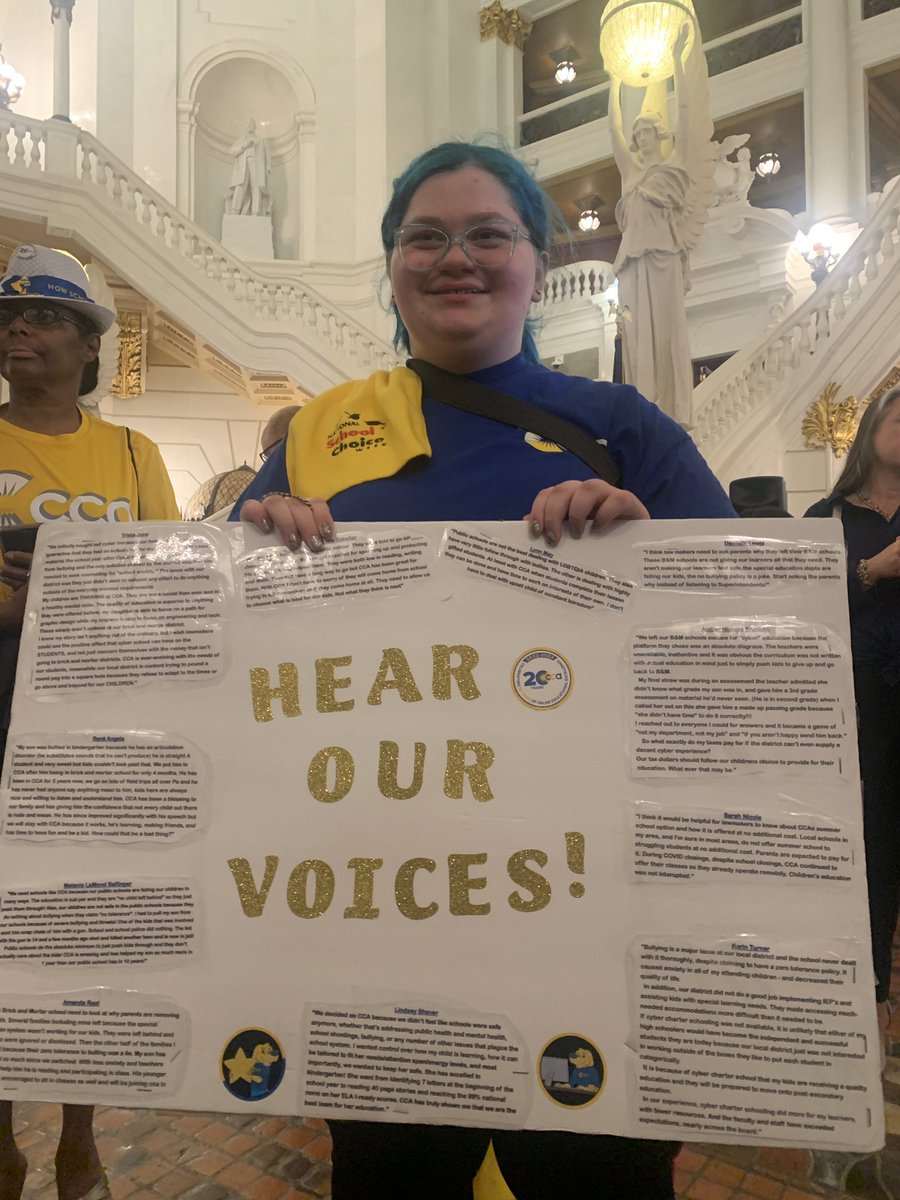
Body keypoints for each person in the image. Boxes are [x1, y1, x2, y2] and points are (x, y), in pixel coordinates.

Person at [234, 139, 735, 1199]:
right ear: (392, 267)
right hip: (379, 891)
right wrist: (246, 548)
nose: (456, 257)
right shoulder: (318, 433)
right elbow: (242, 661)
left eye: (487, 235)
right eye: (425, 237)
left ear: (537, 268)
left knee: (592, 1171)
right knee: (394, 1170)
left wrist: (649, 548)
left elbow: (741, 634)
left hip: (589, 894)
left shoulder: (620, 428)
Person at [0, 243, 179, 1200]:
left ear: (85, 343)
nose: (19, 328)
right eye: (10, 315)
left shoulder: (131, 455)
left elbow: (171, 582)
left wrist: (69, 606)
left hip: (94, 715)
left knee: (81, 931)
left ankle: (78, 1135)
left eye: (43, 316)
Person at [806, 388, 900, 1048]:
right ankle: (870, 994)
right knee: (870, 850)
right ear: (871, 429)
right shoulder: (827, 516)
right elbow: (800, 611)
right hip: (860, 707)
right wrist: (873, 570)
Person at [609, 24, 712, 429]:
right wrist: (614, 81)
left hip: (665, 259)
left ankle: (675, 416)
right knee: (636, 343)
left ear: (658, 134)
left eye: (646, 130)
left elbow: (686, 111)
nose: (640, 136)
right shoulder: (630, 174)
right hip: (632, 263)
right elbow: (612, 130)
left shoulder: (674, 167)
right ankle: (643, 411)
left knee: (668, 337)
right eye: (637, 133)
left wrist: (676, 62)